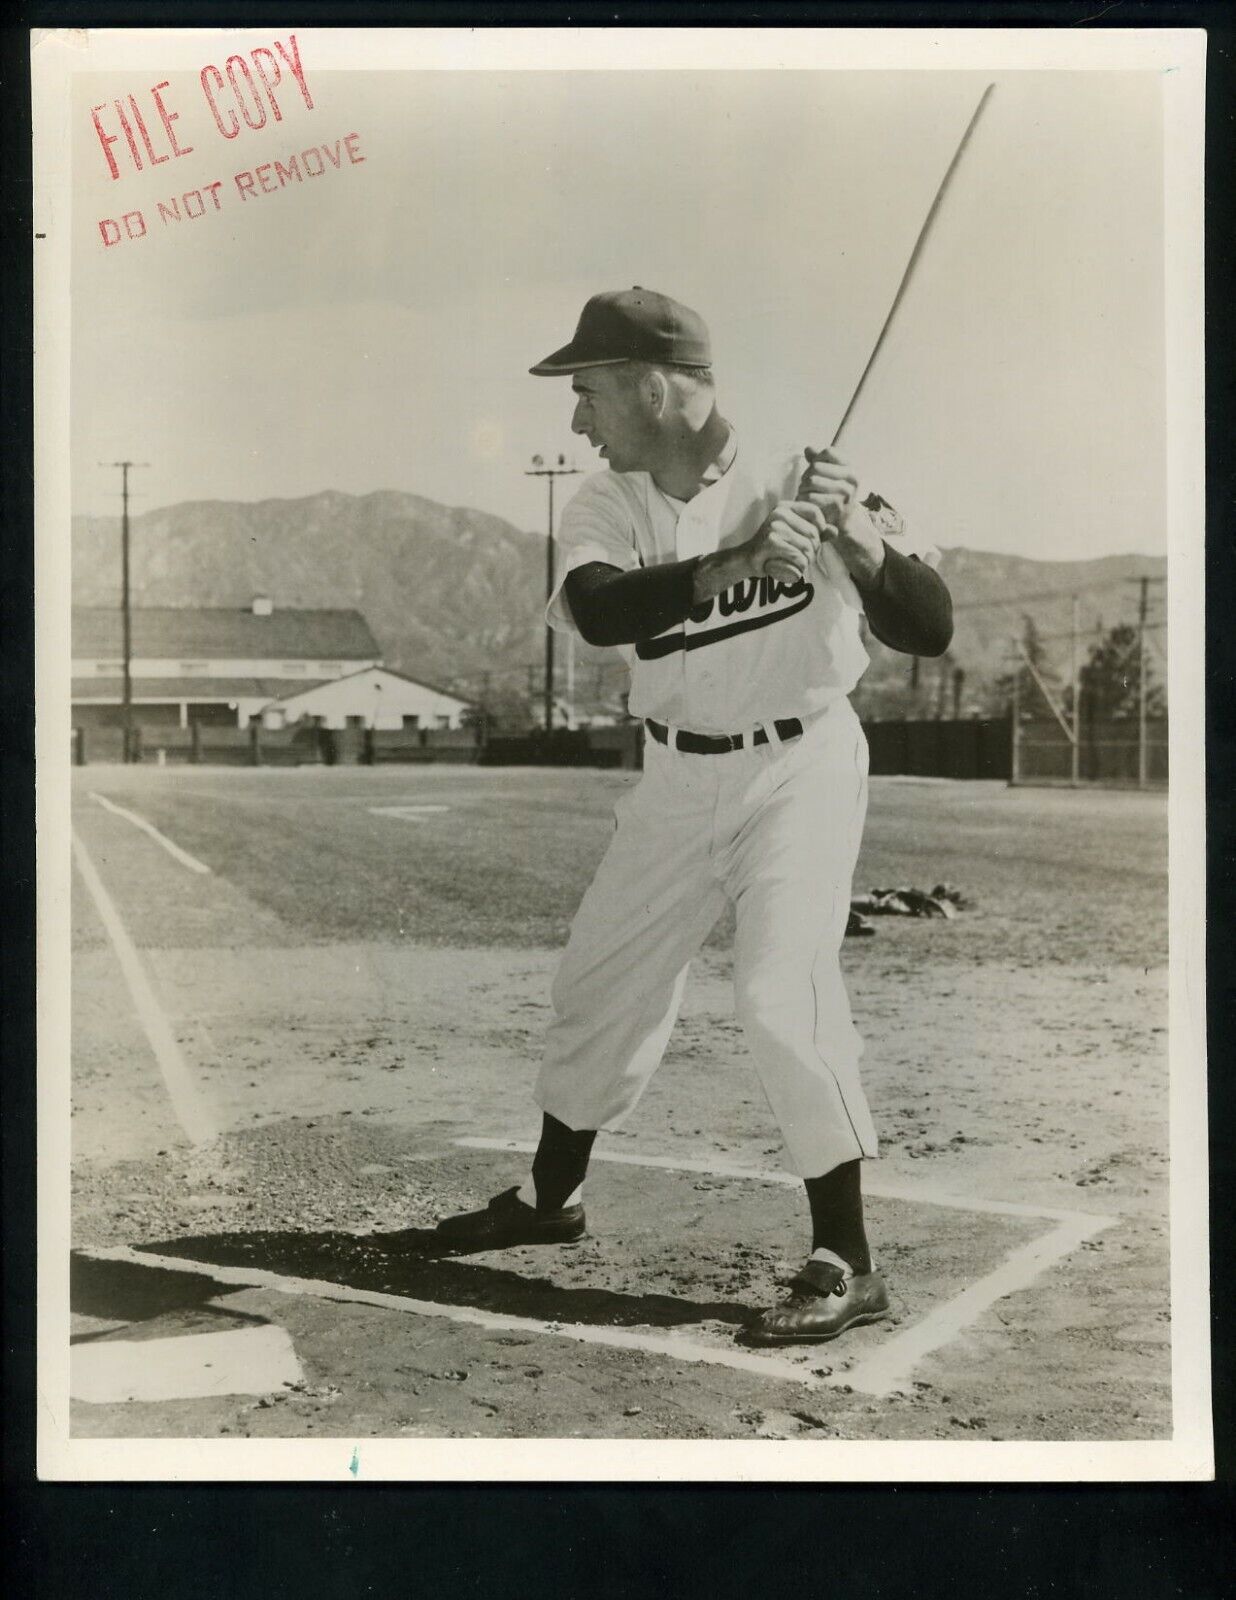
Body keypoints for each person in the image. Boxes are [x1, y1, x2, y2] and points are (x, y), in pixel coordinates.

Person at [437, 287, 953, 1343]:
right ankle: (551, 1201)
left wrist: (855, 542)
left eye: (588, 392)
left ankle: (847, 1260)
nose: (578, 417)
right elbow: (597, 608)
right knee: (598, 982)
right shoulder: (607, 502)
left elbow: (929, 625)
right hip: (676, 776)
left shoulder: (805, 474)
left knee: (779, 990)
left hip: (799, 764)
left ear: (653, 385)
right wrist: (731, 566)